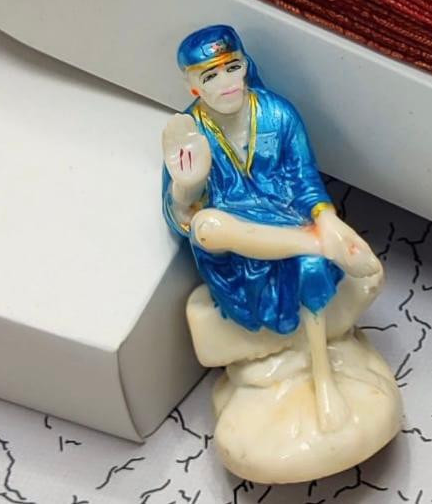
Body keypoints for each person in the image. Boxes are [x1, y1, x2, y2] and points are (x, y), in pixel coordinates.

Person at [161, 24, 380, 431]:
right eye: (210, 76)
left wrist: (327, 219)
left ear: (245, 65)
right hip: (234, 246)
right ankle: (315, 244)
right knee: (207, 227)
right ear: (193, 86)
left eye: (232, 68)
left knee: (311, 268)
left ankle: (323, 377)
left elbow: (304, 179)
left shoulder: (278, 114)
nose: (226, 83)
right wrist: (185, 186)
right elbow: (183, 219)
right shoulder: (192, 133)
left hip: (286, 217)